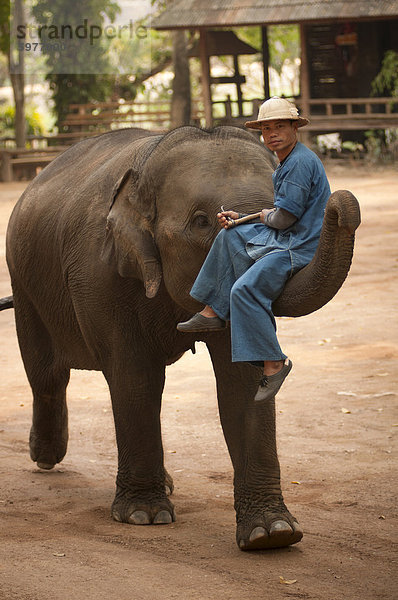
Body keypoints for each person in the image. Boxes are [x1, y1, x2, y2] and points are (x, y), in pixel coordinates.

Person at [177, 97, 331, 402]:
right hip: (288, 234)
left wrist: (263, 216)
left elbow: (284, 218)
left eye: (279, 126)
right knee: (230, 235)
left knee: (244, 291)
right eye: (267, 128)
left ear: (294, 128)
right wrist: (244, 217)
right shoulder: (287, 159)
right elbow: (283, 211)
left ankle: (274, 362)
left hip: (297, 246)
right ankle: (212, 311)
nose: (272, 133)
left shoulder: (300, 163)